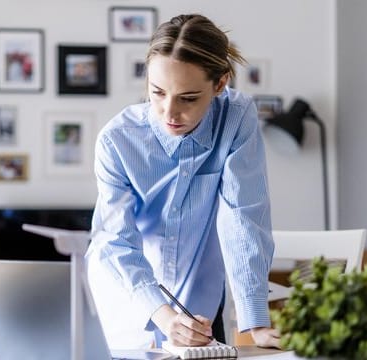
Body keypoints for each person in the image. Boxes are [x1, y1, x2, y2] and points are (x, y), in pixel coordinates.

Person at [86, 13, 280, 350]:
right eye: (157, 93)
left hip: (201, 308)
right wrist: (163, 315)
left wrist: (256, 322)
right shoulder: (116, 141)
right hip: (129, 308)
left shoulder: (236, 118)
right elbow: (115, 242)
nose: (169, 113)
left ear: (220, 84)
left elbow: (243, 216)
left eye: (188, 98)